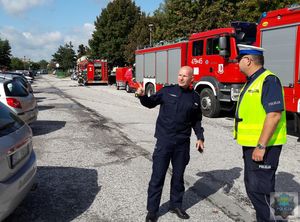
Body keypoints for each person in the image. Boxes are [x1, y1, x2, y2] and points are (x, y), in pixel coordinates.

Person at [135, 66, 204, 222]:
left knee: (178, 177)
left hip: (182, 144)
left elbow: (197, 120)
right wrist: (142, 96)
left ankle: (176, 205)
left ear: (191, 79)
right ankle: (152, 211)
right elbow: (150, 103)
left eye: (185, 76)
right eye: (179, 75)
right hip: (164, 141)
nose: (181, 78)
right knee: (157, 176)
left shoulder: (195, 98)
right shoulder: (167, 91)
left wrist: (200, 137)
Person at [234, 44, 287, 221]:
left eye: (238, 59)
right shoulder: (253, 81)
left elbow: (274, 115)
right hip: (254, 145)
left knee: (260, 191)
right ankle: (280, 217)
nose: (237, 63)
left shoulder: (268, 80)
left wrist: (261, 146)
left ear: (248, 60)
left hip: (265, 146)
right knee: (261, 189)